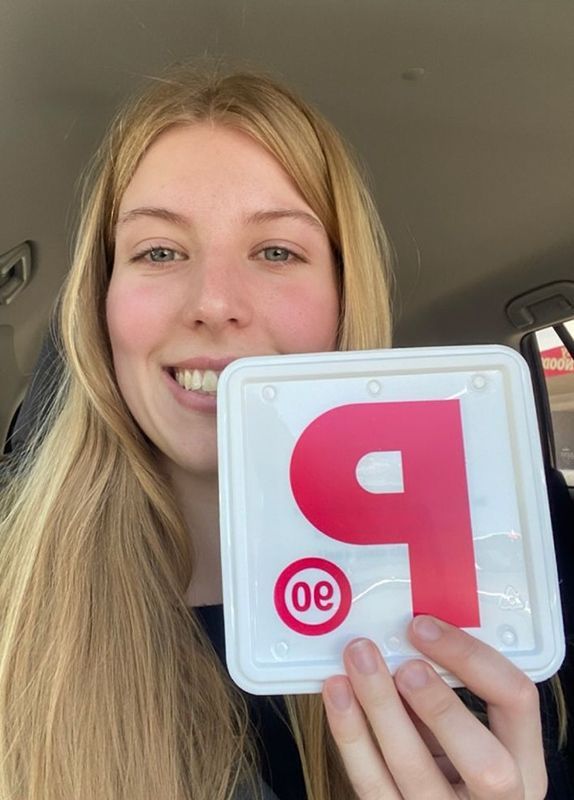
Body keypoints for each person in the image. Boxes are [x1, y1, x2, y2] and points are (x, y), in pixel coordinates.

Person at [0, 65, 550, 800]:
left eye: (277, 251)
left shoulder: (513, 573)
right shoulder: (16, 600)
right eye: (159, 251)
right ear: (99, 303)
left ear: (342, 302)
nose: (215, 302)